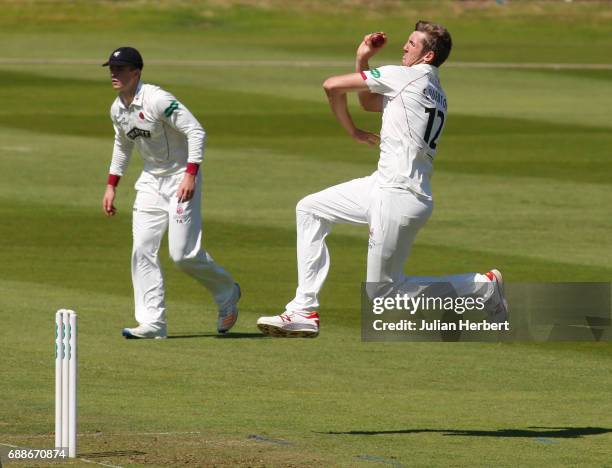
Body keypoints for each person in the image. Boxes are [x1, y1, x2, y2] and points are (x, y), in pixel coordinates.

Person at [256, 21, 507, 338]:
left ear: (428, 56)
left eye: (413, 44)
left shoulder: (402, 77)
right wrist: (363, 60)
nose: (404, 46)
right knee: (310, 209)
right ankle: (302, 311)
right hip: (384, 186)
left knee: (384, 294)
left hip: (399, 195)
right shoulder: (433, 89)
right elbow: (368, 101)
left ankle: (482, 287)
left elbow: (332, 85)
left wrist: (352, 131)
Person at [101, 46, 240, 339]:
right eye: (112, 69)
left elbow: (196, 131)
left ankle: (227, 291)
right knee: (142, 249)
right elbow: (122, 145)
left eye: (121, 69)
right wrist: (112, 185)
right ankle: (153, 323)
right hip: (150, 183)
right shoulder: (117, 108)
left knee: (183, 255)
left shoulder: (158, 99)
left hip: (180, 178)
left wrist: (191, 174)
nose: (114, 74)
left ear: (136, 72)